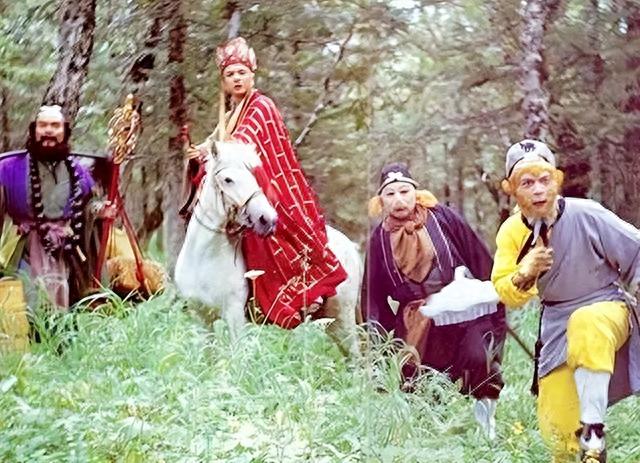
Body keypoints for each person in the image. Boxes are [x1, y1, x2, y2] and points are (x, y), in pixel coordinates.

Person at [491, 139, 640, 462]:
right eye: (526, 183)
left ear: (557, 180)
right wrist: (524, 273)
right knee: (558, 434)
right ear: (511, 189)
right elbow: (504, 290)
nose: (538, 190)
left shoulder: (588, 214)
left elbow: (637, 250)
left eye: (544, 180)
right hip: (556, 326)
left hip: (606, 309)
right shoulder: (511, 232)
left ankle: (593, 433)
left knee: (586, 322)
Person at [183, 37, 347, 329]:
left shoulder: (261, 106)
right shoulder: (231, 113)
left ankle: (299, 294)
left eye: (241, 72)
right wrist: (200, 151)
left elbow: (245, 141)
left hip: (266, 185)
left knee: (268, 229)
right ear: (224, 81)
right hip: (237, 184)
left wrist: (214, 151)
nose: (236, 78)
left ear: (252, 75)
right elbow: (216, 141)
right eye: (230, 74)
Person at [362, 162, 506, 438]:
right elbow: (374, 300)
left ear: (416, 193)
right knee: (423, 384)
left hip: (465, 311)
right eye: (390, 194)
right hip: (419, 320)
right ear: (380, 201)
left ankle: (485, 430)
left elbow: (480, 259)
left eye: (404, 191)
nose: (398, 200)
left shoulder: (444, 218)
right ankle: (434, 439)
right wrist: (382, 348)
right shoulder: (379, 241)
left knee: (480, 359)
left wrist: (495, 302)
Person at [0, 105, 114, 311]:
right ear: (34, 130)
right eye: (43, 125)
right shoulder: (9, 168)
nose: (48, 131)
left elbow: (88, 204)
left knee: (65, 307)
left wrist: (99, 211)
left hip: (64, 252)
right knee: (26, 305)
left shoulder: (78, 171)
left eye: (55, 125)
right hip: (23, 249)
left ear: (65, 132)